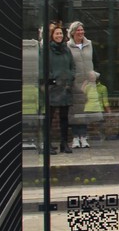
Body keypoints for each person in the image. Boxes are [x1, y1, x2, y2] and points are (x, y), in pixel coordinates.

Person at [40, 22, 75, 154]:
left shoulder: (67, 50)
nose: (59, 35)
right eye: (57, 33)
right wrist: (52, 81)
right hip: (53, 88)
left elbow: (72, 66)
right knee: (49, 118)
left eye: (61, 33)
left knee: (64, 118)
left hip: (66, 88)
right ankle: (47, 144)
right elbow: (44, 68)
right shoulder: (46, 50)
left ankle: (64, 143)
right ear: (52, 35)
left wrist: (70, 78)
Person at [66, 22, 99, 149]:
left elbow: (96, 61)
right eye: (78, 30)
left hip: (89, 83)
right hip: (75, 83)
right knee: (75, 111)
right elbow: (67, 64)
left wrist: (95, 74)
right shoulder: (68, 46)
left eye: (82, 30)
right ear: (72, 32)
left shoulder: (89, 44)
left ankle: (84, 136)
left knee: (86, 109)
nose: (81, 32)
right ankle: (75, 137)